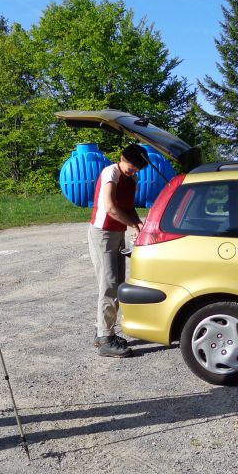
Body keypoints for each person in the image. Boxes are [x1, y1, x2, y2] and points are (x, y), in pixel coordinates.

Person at [88, 143, 148, 358]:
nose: (134, 171)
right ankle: (105, 338)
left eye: (137, 169)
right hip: (102, 233)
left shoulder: (132, 178)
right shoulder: (110, 172)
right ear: (122, 158)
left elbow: (128, 206)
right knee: (109, 283)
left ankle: (104, 332)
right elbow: (111, 208)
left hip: (117, 233)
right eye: (132, 166)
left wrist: (138, 223)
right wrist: (132, 225)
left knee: (118, 283)